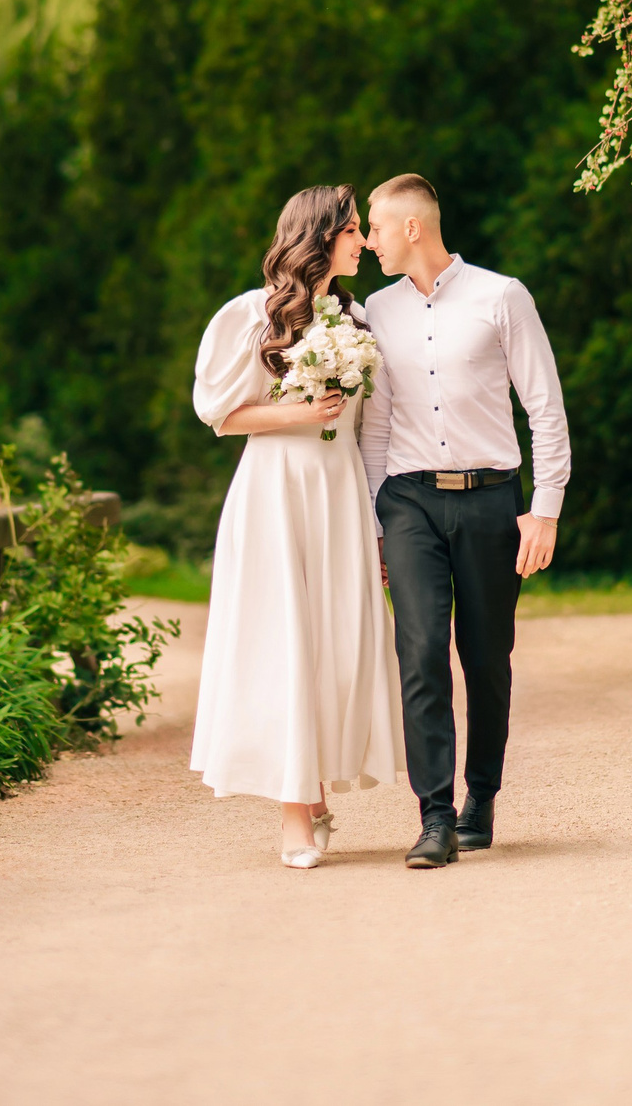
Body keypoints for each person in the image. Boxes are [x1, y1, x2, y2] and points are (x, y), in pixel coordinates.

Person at [189, 184, 406, 867]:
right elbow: (222, 416)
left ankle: (313, 785)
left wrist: (378, 525)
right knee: (284, 640)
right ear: (318, 236)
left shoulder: (359, 317)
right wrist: (300, 411)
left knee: (336, 641)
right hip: (276, 492)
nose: (363, 242)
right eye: (351, 230)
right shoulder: (253, 315)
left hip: (339, 492)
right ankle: (293, 815)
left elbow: (372, 429)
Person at [358, 173, 570, 869]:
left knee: (486, 658)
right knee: (419, 653)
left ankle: (482, 797)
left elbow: (545, 408)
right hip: (410, 500)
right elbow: (377, 426)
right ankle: (435, 815)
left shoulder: (501, 296)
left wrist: (544, 510)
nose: (368, 239)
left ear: (412, 227)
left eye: (376, 227)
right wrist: (374, 523)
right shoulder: (377, 312)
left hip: (489, 500)